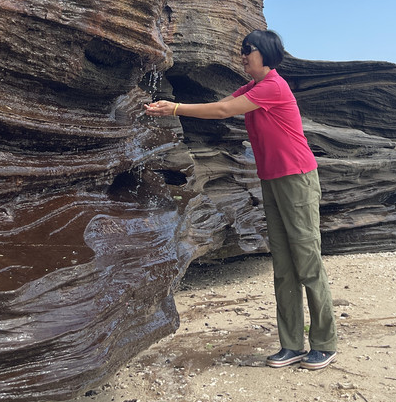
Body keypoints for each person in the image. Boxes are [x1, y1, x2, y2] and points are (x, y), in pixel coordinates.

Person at [145, 29, 338, 370]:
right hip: (272, 180)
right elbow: (219, 105)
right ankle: (292, 345)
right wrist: (172, 108)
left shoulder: (273, 86)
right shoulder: (252, 87)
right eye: (243, 50)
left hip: (297, 178)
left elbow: (223, 110)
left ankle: (324, 343)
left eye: (248, 50)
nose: (243, 55)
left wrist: (173, 108)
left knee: (307, 260)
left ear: (265, 54)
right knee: (283, 263)